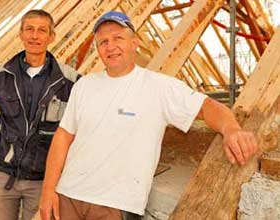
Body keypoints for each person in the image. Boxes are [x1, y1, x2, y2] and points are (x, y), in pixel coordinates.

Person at [39, 11, 259, 220]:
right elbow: (63, 137)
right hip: (68, 194)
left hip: (115, 204)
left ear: (135, 43)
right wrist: (49, 190)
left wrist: (231, 129)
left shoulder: (158, 87)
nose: (111, 46)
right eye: (103, 42)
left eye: (118, 38)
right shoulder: (84, 85)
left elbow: (207, 107)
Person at [0, 9, 79, 220]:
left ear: (51, 36)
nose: (34, 36)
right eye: (29, 29)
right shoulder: (2, 74)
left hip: (43, 180)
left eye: (42, 30)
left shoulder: (69, 81)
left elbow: (81, 123)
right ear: (20, 34)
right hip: (3, 175)